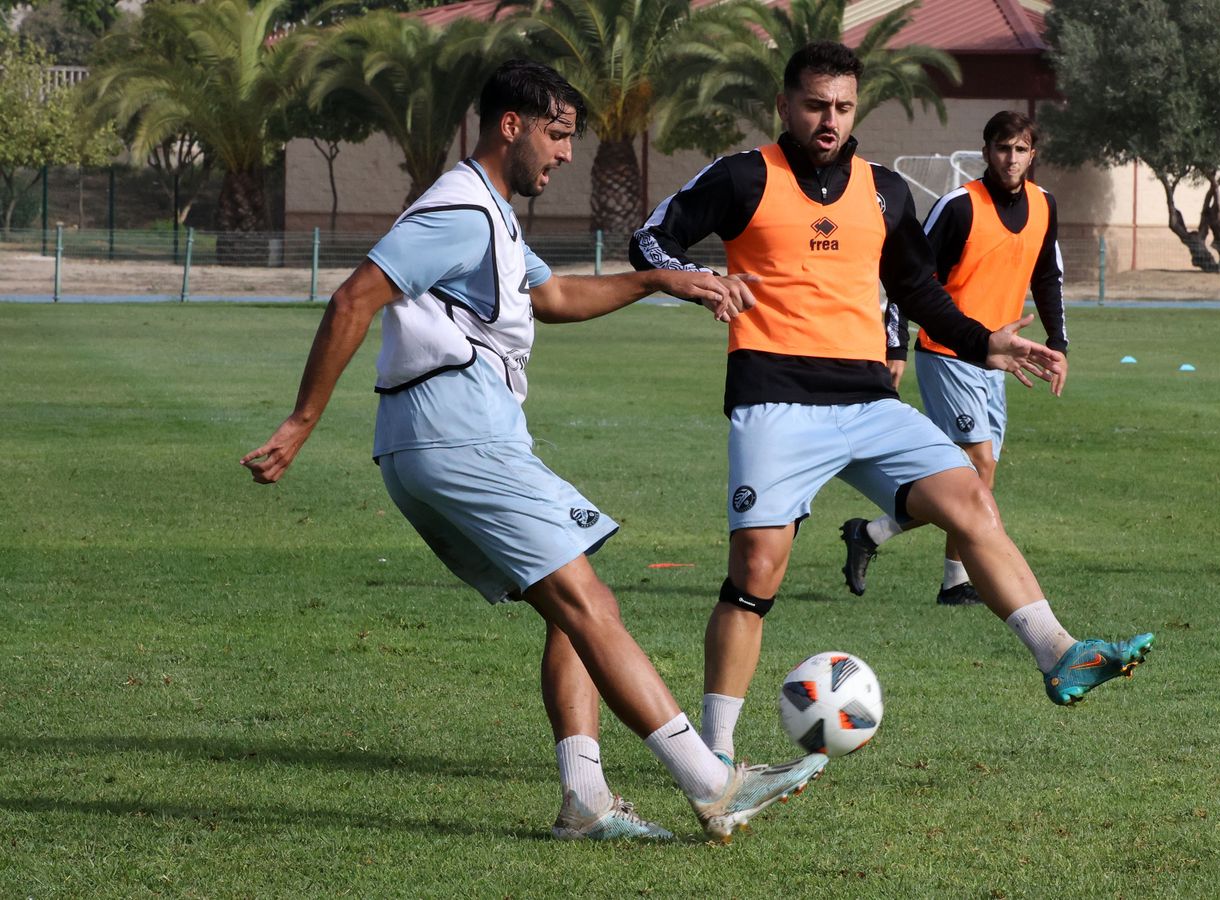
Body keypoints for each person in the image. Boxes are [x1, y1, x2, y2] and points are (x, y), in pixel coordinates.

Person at [241, 59, 825, 843]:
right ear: (510, 125)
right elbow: (356, 295)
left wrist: (659, 280)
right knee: (589, 604)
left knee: (571, 609)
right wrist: (302, 421)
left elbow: (550, 299)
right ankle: (711, 782)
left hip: (448, 440)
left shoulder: (495, 216)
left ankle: (585, 799)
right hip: (457, 433)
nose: (563, 155)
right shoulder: (459, 210)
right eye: (555, 136)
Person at [630, 42, 1154, 764]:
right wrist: (687, 277)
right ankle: (714, 755)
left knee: (971, 501)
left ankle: (1059, 653)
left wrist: (985, 343)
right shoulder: (743, 176)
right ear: (784, 105)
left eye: (843, 107)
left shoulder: (884, 190)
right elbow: (650, 237)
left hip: (869, 401)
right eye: (815, 105)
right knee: (756, 573)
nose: (829, 120)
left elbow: (919, 292)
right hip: (775, 399)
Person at [841, 111, 1069, 606]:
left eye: (1021, 149)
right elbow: (909, 278)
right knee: (977, 465)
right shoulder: (959, 205)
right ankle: (954, 582)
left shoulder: (1044, 205)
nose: (1011, 159)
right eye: (1002, 148)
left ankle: (876, 535)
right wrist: (894, 344)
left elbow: (1047, 277)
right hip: (947, 353)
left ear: (1034, 154)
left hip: (998, 360)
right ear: (985, 151)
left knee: (975, 477)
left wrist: (1059, 345)